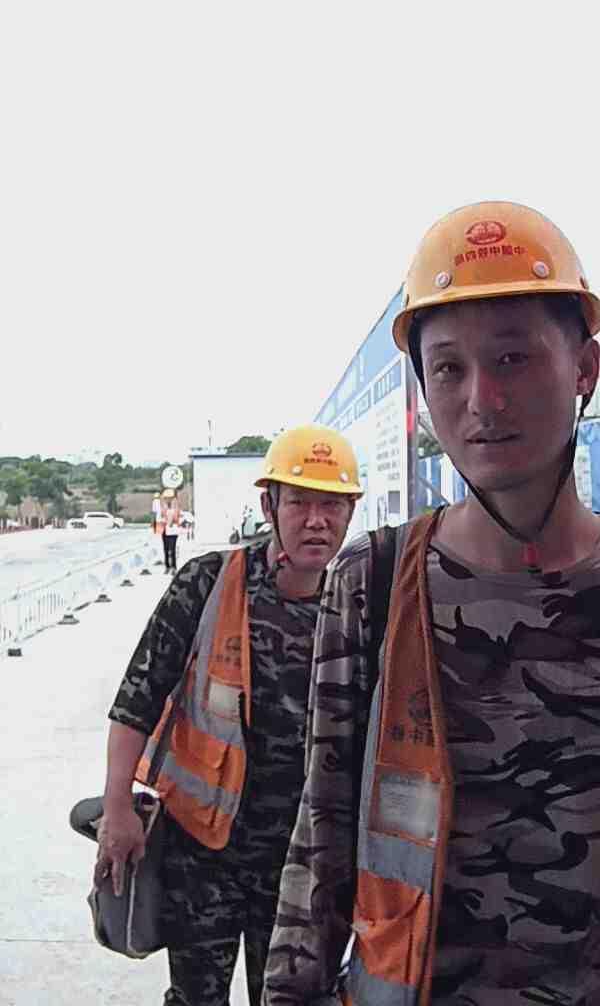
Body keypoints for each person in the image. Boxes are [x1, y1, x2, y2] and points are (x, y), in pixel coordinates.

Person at [263, 202, 600, 1006]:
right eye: (448, 369)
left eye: (514, 357)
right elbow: (322, 838)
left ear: (586, 369)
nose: (483, 398)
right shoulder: (375, 581)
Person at [94, 424, 362, 1006]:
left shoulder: (363, 606)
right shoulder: (209, 584)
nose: (317, 521)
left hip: (302, 863)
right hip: (202, 852)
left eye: (333, 506)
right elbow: (136, 700)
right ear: (270, 507)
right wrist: (118, 809)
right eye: (300, 503)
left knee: (289, 999)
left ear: (351, 512)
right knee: (196, 998)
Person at [161, 489, 181, 575]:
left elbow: (176, 518)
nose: (168, 500)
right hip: (165, 530)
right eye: (166, 498)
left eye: (170, 498)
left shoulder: (176, 508)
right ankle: (167, 566)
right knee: (165, 549)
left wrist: (172, 515)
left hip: (173, 531)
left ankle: (174, 567)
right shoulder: (163, 507)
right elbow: (161, 516)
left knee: (172, 549)